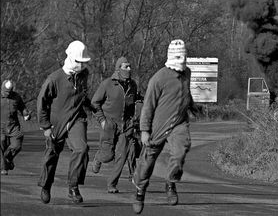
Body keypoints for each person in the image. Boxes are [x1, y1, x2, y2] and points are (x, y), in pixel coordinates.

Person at [131, 39, 200, 214]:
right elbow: (148, 105)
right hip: (157, 126)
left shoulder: (187, 73)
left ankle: (170, 183)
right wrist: (145, 130)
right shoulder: (159, 78)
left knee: (180, 151)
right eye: (179, 57)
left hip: (179, 123)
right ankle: (140, 191)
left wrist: (192, 105)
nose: (182, 60)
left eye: (184, 56)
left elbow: (186, 93)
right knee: (147, 162)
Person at [37, 40, 91, 204]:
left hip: (76, 119)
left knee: (82, 149)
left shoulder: (84, 74)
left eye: (84, 62)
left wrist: (92, 106)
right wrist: (46, 126)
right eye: (79, 62)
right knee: (51, 155)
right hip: (56, 122)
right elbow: (42, 101)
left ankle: (73, 186)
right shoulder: (54, 78)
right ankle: (46, 186)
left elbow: (81, 95)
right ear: (72, 58)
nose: (82, 65)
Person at [91, 57, 142, 193]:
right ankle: (98, 157)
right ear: (119, 68)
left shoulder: (133, 85)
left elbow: (135, 100)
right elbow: (94, 103)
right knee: (108, 156)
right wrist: (102, 120)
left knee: (122, 156)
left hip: (126, 126)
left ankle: (112, 184)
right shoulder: (107, 84)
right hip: (109, 125)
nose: (129, 69)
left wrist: (133, 120)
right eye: (126, 67)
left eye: (130, 66)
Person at [1, 80, 31, 175]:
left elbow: (22, 108)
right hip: (1, 126)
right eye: (5, 91)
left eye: (9, 92)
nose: (7, 93)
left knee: (17, 145)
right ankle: (3, 168)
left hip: (14, 126)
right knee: (1, 143)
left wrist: (26, 114)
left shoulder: (16, 97)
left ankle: (7, 158)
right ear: (2, 89)